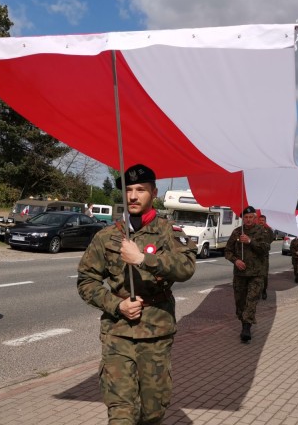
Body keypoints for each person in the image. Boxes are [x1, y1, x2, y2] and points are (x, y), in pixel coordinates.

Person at [76, 164, 197, 424]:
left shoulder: (169, 232)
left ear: (153, 192)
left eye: (140, 190)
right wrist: (115, 305)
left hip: (156, 332)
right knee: (121, 411)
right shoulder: (107, 236)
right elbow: (86, 280)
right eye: (128, 190)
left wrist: (143, 259)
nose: (132, 196)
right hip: (117, 331)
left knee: (153, 410)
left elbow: (186, 268)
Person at [225, 206, 271, 342]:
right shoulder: (237, 232)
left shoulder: (261, 231)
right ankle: (244, 322)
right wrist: (235, 260)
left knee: (251, 301)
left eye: (251, 217)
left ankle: (246, 328)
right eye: (246, 217)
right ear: (243, 219)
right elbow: (228, 251)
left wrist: (250, 242)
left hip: (256, 274)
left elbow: (265, 249)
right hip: (240, 274)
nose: (248, 220)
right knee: (240, 303)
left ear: (255, 218)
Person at [257, 214, 275, 300]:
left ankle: (264, 290)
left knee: (264, 275)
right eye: (260, 220)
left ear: (265, 222)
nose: (261, 222)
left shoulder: (269, 231)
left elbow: (271, 239)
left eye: (262, 220)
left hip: (264, 256)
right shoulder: (254, 230)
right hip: (255, 256)